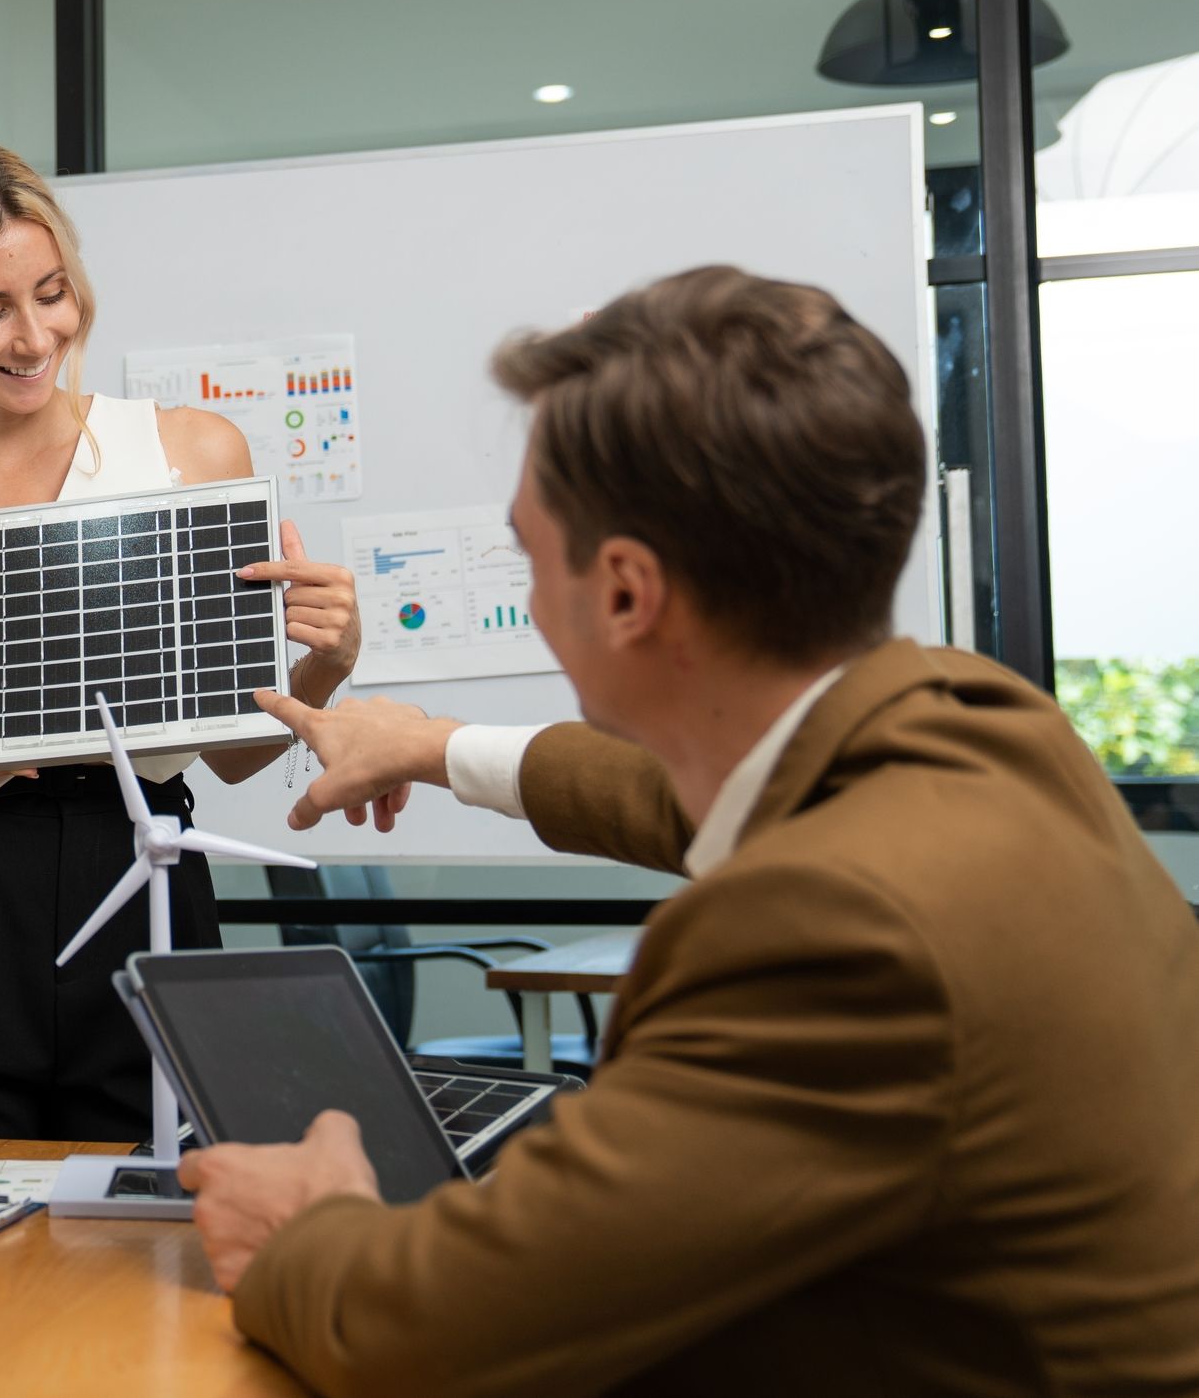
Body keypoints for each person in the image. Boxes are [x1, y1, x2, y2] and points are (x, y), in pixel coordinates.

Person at [173, 267, 1199, 1394]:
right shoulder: (977, 724)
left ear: (623, 592)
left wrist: (300, 1228)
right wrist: (432, 743)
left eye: (526, 549)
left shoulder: (832, 928)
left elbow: (436, 1333)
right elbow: (699, 793)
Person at [0, 139, 364, 1141]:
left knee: (166, 1205)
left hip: (147, 864)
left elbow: (232, 747)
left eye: (51, 293)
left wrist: (325, 665)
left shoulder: (190, 453)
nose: (34, 336)